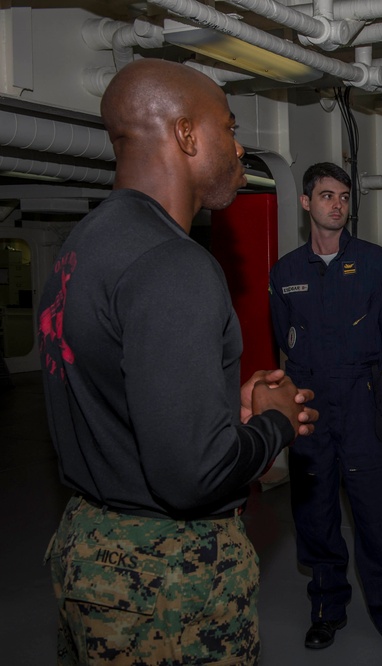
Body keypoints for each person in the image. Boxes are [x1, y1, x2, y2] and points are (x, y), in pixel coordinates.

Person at [37, 58, 318, 664]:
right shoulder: (174, 264)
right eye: (229, 127)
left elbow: (120, 394)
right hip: (164, 580)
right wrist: (271, 418)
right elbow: (190, 476)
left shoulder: (83, 247)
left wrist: (217, 405)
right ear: (187, 135)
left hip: (90, 551)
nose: (240, 147)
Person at [268, 162, 382, 666]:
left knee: (378, 517)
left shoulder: (378, 264)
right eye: (327, 196)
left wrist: (360, 367)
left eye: (345, 197)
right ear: (307, 203)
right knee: (315, 515)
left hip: (360, 399)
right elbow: (281, 338)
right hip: (308, 405)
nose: (338, 204)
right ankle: (327, 609)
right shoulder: (286, 272)